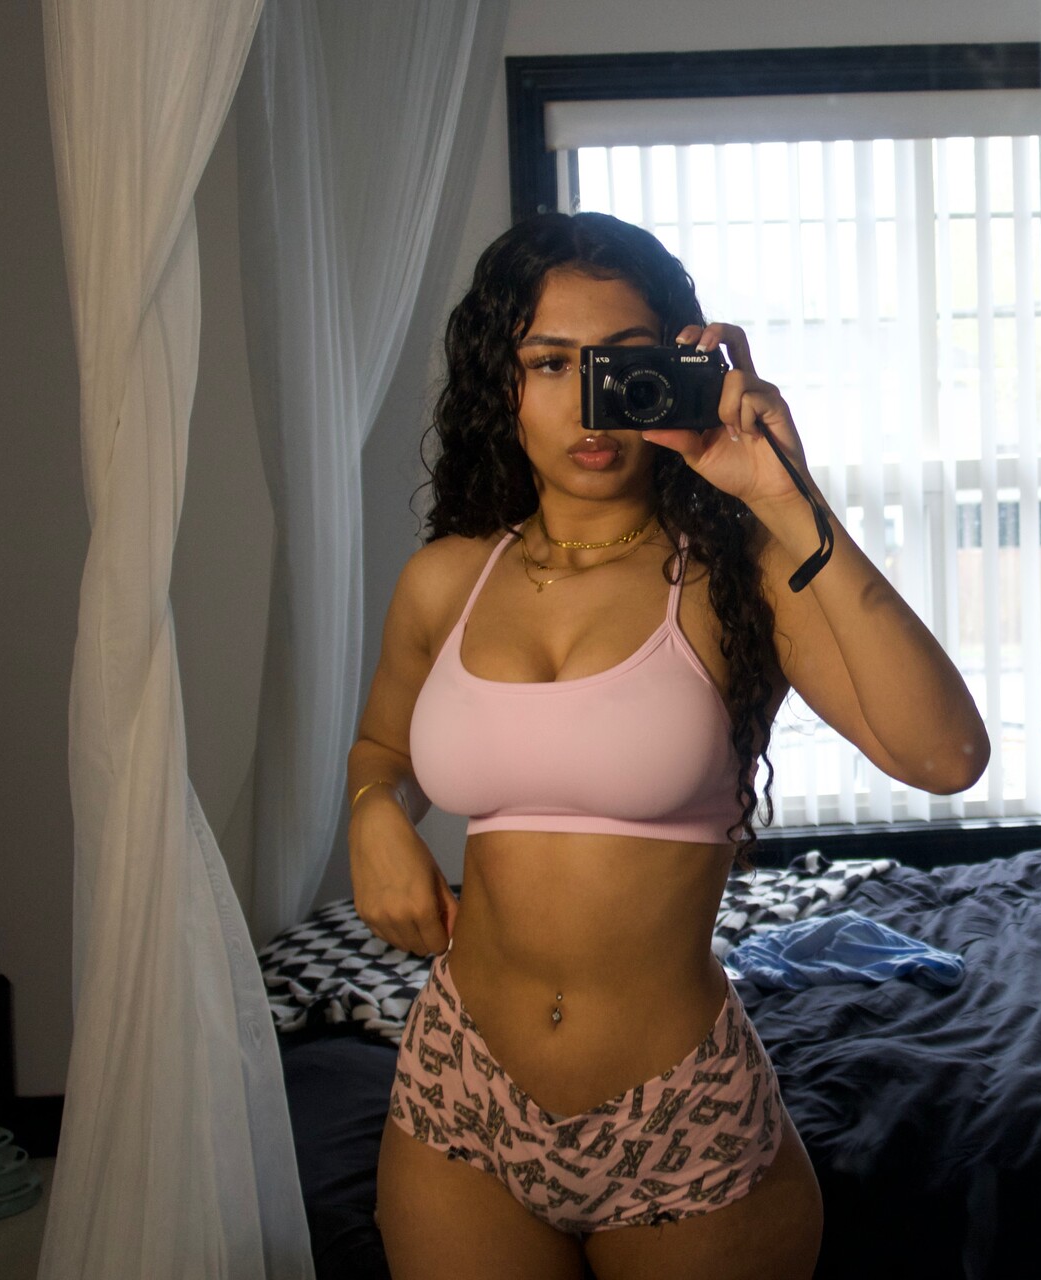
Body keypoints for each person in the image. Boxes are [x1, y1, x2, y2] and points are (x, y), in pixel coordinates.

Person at [344, 210, 990, 1280]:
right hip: (460, 1096)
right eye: (550, 363)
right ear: (501, 384)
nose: (588, 402)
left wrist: (785, 495)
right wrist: (373, 812)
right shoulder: (446, 579)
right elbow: (382, 746)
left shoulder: (738, 576)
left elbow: (945, 756)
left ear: (679, 377)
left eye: (623, 365)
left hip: (678, 1116)